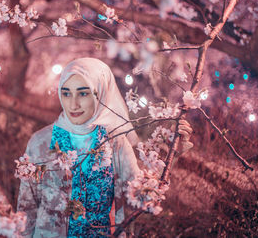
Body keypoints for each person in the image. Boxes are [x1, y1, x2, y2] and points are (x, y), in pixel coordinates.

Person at [17, 57, 192, 238]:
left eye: (83, 93)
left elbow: (142, 198)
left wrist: (173, 153)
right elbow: (26, 209)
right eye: (66, 93)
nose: (73, 104)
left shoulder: (115, 142)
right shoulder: (41, 143)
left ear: (100, 93)